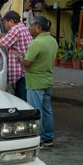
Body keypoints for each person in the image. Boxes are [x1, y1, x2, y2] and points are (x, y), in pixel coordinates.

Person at [24, 16, 59, 147]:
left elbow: (27, 63)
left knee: (36, 111)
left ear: (38, 28)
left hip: (35, 81)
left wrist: (20, 60)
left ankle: (37, 139)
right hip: (47, 80)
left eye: (31, 25)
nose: (29, 28)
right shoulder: (52, 41)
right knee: (47, 110)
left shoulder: (36, 43)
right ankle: (48, 137)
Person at [0, 10, 33, 100]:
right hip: (24, 69)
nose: (4, 24)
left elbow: (1, 44)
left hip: (20, 70)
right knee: (23, 95)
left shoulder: (15, 30)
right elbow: (7, 36)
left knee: (21, 97)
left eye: (4, 22)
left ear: (11, 21)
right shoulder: (21, 27)